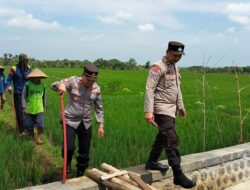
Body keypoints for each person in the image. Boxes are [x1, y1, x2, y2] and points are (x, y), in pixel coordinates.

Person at [144, 41, 196, 189]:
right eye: (175, 55)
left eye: (180, 56)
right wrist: (148, 111)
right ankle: (178, 175)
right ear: (167, 51)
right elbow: (149, 89)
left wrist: (181, 106)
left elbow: (177, 88)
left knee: (163, 136)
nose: (177, 58)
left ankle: (152, 162)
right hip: (160, 108)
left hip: (171, 109)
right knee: (171, 138)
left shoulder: (175, 66)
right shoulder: (157, 67)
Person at [51, 64, 104, 177]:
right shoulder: (73, 81)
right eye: (88, 79)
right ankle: (67, 163)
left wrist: (101, 125)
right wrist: (61, 86)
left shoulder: (96, 88)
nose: (90, 82)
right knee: (69, 147)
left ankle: (80, 173)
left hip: (86, 122)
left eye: (93, 80)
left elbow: (99, 108)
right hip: (70, 121)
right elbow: (54, 84)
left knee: (84, 152)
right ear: (83, 75)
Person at [6, 53, 32, 134]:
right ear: (21, 60)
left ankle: (27, 128)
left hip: (28, 94)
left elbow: (33, 78)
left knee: (27, 112)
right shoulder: (14, 68)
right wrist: (9, 86)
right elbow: (9, 80)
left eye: (27, 60)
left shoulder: (29, 69)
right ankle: (21, 130)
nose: (26, 62)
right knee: (20, 112)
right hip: (18, 93)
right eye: (24, 60)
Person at [22, 69, 47, 145]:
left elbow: (44, 97)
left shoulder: (43, 85)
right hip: (30, 107)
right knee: (30, 124)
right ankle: (32, 136)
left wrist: (44, 105)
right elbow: (23, 95)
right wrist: (24, 107)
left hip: (39, 108)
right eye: (36, 77)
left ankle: (39, 137)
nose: (38, 78)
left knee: (40, 124)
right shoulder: (28, 84)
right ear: (33, 77)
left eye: (39, 77)